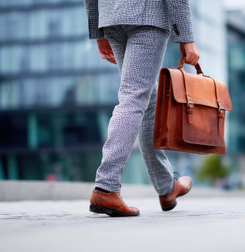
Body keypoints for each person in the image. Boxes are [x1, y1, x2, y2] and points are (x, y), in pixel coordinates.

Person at [83, 0, 199, 217]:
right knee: (134, 96)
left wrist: (98, 32)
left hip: (112, 18)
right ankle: (106, 187)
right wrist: (187, 38)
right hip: (147, 16)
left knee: (147, 95)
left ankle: (166, 187)